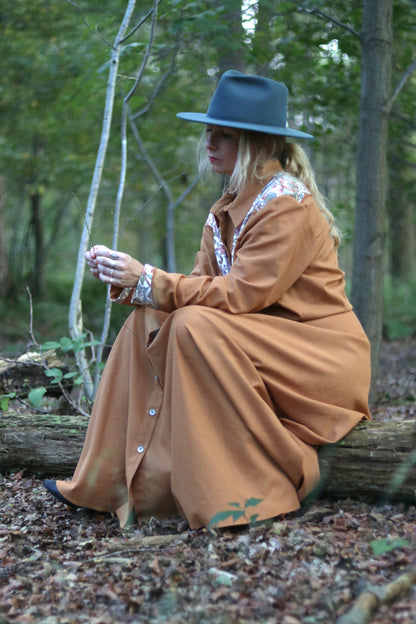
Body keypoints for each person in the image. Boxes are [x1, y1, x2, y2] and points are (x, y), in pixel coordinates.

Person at [44, 70, 371, 529]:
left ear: (256, 143)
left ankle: (239, 499)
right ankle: (104, 484)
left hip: (317, 358)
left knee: (191, 324)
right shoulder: (225, 210)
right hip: (263, 343)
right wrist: (135, 282)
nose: (210, 143)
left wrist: (153, 279)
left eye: (224, 135)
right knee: (152, 319)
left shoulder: (287, 206)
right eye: (208, 132)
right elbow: (197, 290)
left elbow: (242, 295)